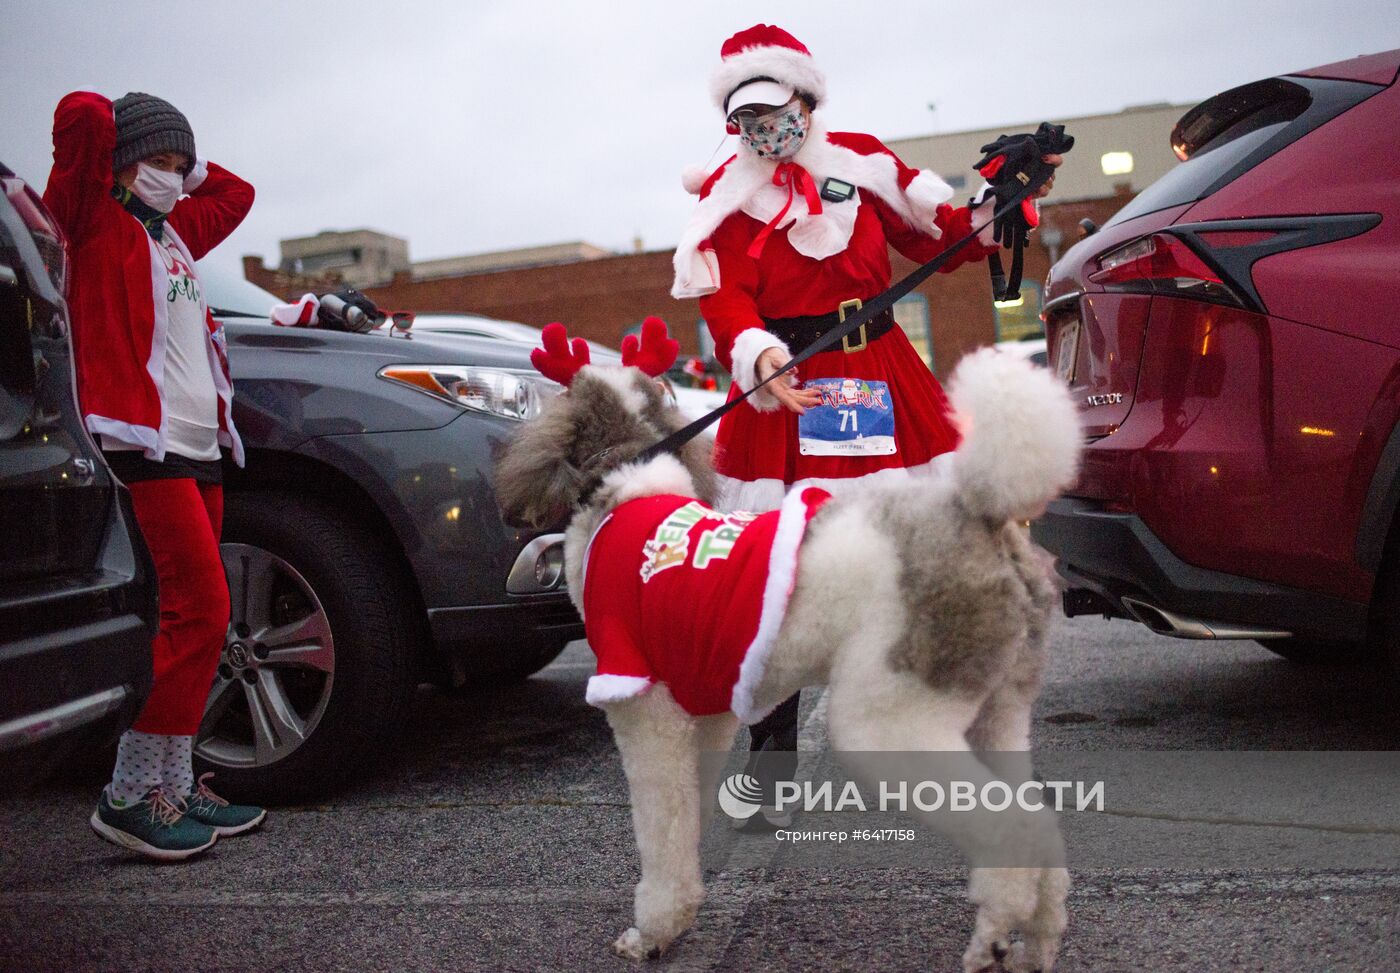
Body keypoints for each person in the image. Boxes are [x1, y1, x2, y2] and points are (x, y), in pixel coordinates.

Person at [671, 25, 1061, 827]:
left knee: (925, 552)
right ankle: (770, 752)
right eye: (745, 119)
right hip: (792, 393)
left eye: (775, 112)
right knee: (778, 571)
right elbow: (724, 299)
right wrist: (755, 351)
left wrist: (1002, 204)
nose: (761, 131)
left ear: (808, 102)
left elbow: (943, 238)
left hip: (882, 378)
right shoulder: (727, 193)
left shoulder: (862, 161)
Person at [44, 90, 265, 860]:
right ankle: (130, 793)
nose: (174, 178)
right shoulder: (92, 222)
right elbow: (79, 117)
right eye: (158, 164)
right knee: (201, 608)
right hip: (147, 445)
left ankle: (173, 780)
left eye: (180, 166)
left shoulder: (173, 234)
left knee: (204, 614)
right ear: (121, 165)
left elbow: (236, 195)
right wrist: (120, 138)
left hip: (201, 446)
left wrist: (186, 165)